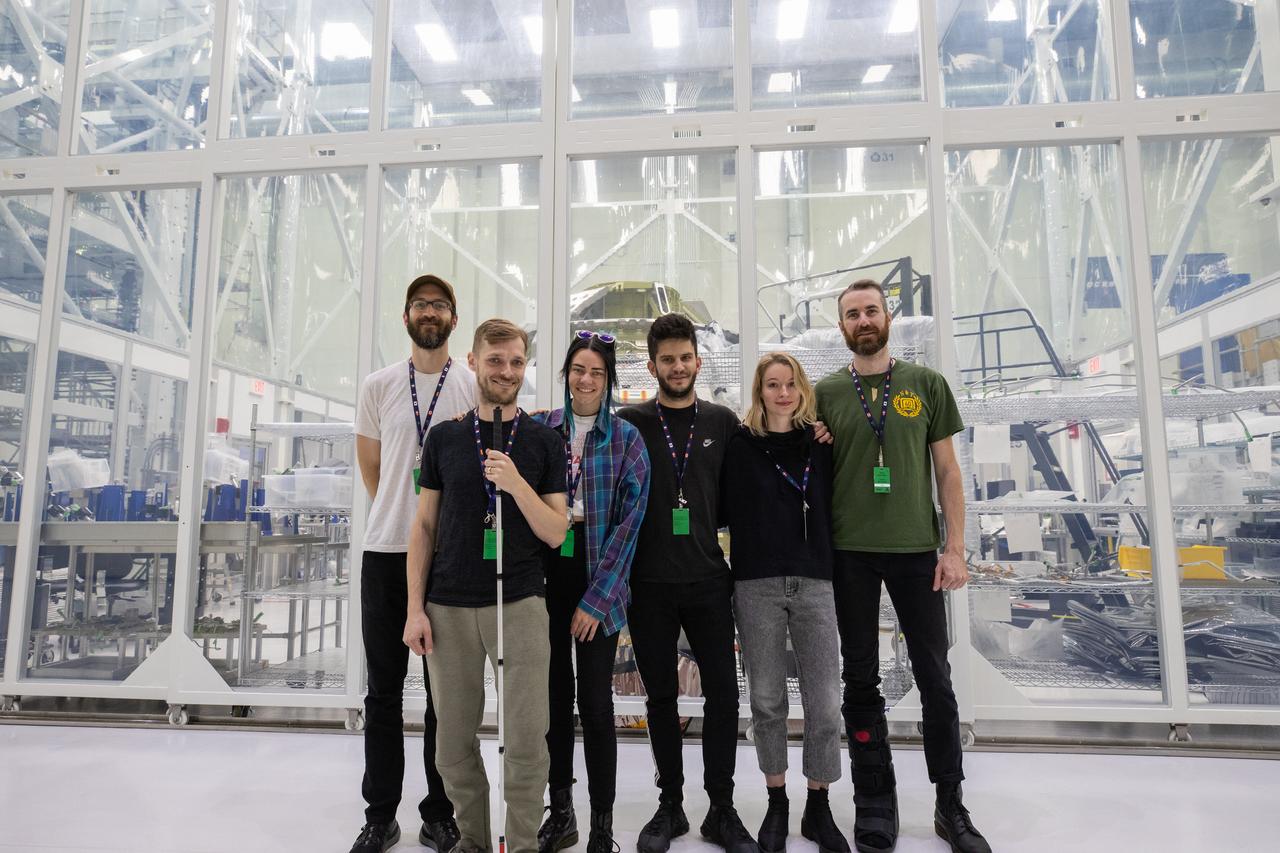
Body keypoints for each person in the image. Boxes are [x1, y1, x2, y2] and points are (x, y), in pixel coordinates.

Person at [815, 280, 989, 853]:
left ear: (887, 316)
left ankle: (950, 803)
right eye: (851, 314)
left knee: (935, 679)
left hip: (917, 552)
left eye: (871, 310)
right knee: (859, 678)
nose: (863, 320)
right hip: (851, 554)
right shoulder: (828, 394)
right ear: (841, 327)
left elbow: (949, 473)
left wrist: (955, 546)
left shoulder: (926, 385)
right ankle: (875, 800)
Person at [404, 319, 569, 853]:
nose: (506, 371)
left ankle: (520, 844)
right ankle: (473, 840)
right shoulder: (445, 437)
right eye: (495, 360)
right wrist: (414, 608)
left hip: (520, 603)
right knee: (451, 745)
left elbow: (556, 530)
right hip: (448, 606)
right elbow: (424, 526)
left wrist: (516, 482)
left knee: (525, 741)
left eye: (516, 362)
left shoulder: (544, 440)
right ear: (473, 362)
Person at [617, 313, 758, 853]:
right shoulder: (631, 422)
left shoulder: (722, 423)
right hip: (648, 583)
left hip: (707, 582)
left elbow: (763, 462)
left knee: (725, 693)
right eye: (667, 360)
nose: (677, 367)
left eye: (685, 358)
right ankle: (670, 804)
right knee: (660, 697)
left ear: (698, 361)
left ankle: (720, 808)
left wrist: (816, 429)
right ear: (652, 366)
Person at [351, 274, 474, 853]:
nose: (430, 312)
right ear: (406, 318)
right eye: (421, 304)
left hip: (447, 561)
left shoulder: (471, 386)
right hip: (385, 555)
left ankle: (438, 809)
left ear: (454, 318)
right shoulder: (378, 386)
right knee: (383, 691)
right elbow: (373, 471)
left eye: (440, 305)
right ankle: (380, 814)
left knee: (441, 695)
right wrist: (406, 519)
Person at [531, 331, 651, 853]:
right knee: (555, 701)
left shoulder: (626, 440)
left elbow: (631, 525)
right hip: (547, 577)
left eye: (597, 373)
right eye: (578, 369)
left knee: (596, 704)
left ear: (608, 381)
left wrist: (596, 601)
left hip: (599, 574)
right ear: (566, 374)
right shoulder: (541, 431)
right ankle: (561, 814)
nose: (586, 380)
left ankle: (601, 824)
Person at [722, 353, 847, 853]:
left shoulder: (822, 445)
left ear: (802, 389)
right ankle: (777, 800)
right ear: (759, 391)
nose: (782, 393)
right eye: (772, 385)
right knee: (768, 700)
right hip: (756, 584)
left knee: (826, 701)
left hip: (815, 580)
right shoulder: (740, 446)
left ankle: (819, 803)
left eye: (790, 384)